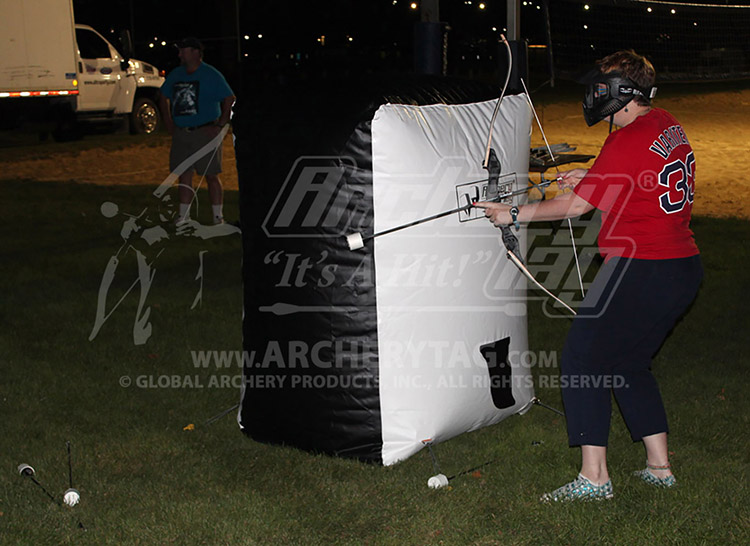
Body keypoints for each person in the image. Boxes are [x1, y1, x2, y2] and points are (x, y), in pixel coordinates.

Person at [476, 50, 703, 502]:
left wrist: (512, 214)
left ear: (623, 93)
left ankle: (595, 479)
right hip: (681, 268)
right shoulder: (664, 124)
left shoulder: (625, 139)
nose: (593, 95)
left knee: (583, 360)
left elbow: (578, 207)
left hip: (644, 268)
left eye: (601, 88)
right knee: (629, 363)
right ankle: (659, 468)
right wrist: (593, 175)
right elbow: (639, 176)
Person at [159, 37, 236, 225]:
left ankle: (218, 216)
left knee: (211, 175)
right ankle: (183, 216)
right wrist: (168, 121)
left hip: (205, 131)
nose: (179, 55)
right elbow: (163, 96)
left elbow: (229, 98)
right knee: (184, 173)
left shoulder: (211, 75)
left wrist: (220, 125)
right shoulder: (176, 74)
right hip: (182, 132)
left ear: (195, 52)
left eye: (183, 50)